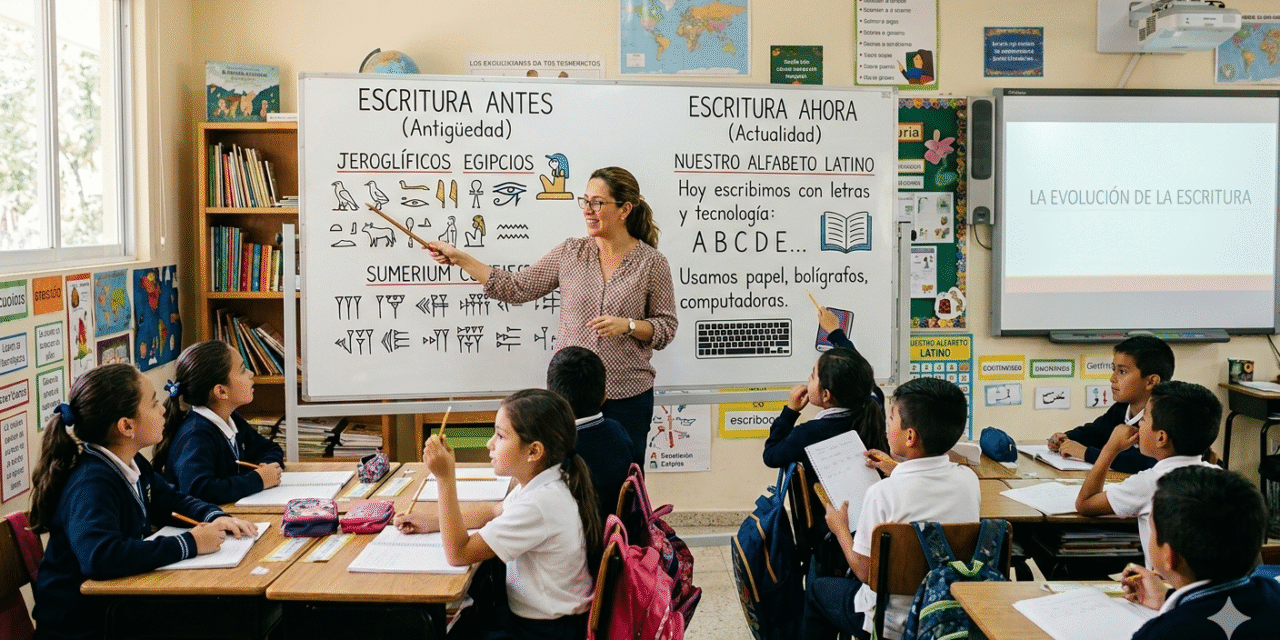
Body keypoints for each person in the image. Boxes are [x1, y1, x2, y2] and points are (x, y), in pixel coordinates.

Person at [427, 167, 677, 466]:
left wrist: (630, 326)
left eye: (597, 203)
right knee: (565, 479)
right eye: (585, 201)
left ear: (625, 209)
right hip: (570, 398)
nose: (588, 210)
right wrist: (460, 258)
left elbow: (666, 327)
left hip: (627, 394)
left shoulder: (651, 263)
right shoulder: (570, 252)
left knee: (623, 480)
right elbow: (517, 287)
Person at [29, 363, 257, 640]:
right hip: (85, 626)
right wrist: (189, 543)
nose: (162, 409)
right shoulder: (91, 483)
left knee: (235, 615)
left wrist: (213, 516)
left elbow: (169, 499)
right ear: (126, 426)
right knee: (230, 619)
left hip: (119, 608)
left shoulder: (129, 461)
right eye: (152, 404)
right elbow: (100, 557)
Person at [394, 389, 601, 639]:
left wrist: (445, 478)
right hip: (546, 620)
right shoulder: (548, 479)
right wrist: (432, 523)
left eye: (500, 436)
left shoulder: (539, 504)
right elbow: (494, 511)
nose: (489, 443)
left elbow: (458, 553)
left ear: (534, 451)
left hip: (546, 632)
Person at [803, 377, 977, 640]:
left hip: (892, 622)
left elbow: (865, 572)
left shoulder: (881, 494)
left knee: (818, 590)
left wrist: (840, 528)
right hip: (947, 612)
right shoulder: (969, 481)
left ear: (910, 436)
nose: (886, 426)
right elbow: (924, 490)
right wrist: (897, 470)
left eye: (891, 419)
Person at [1075, 380, 1221, 568]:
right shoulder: (1220, 475)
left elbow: (1085, 504)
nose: (1139, 424)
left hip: (1164, 587)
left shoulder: (1150, 482)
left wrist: (1110, 449)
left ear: (1161, 437)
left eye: (1143, 418)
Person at [1121, 466, 1279, 639]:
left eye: (1152, 529)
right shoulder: (1273, 592)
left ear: (1169, 555)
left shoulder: (1161, 633)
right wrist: (1167, 597)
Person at [151, 340, 284, 504]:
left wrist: (268, 466)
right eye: (242, 370)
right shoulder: (196, 435)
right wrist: (258, 480)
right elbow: (198, 490)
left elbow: (269, 448)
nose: (250, 373)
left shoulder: (231, 418)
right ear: (221, 391)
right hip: (201, 525)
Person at [1048, 334, 1174, 473]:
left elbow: (1143, 462)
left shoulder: (1167, 417)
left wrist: (1085, 453)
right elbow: (1095, 433)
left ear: (1151, 381)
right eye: (1113, 369)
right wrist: (1066, 438)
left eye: (1122, 371)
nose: (1112, 378)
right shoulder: (1121, 408)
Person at [546, 346, 633, 523]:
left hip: (573, 543)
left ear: (552, 399)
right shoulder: (618, 431)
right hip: (612, 539)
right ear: (604, 397)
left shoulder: (554, 448)